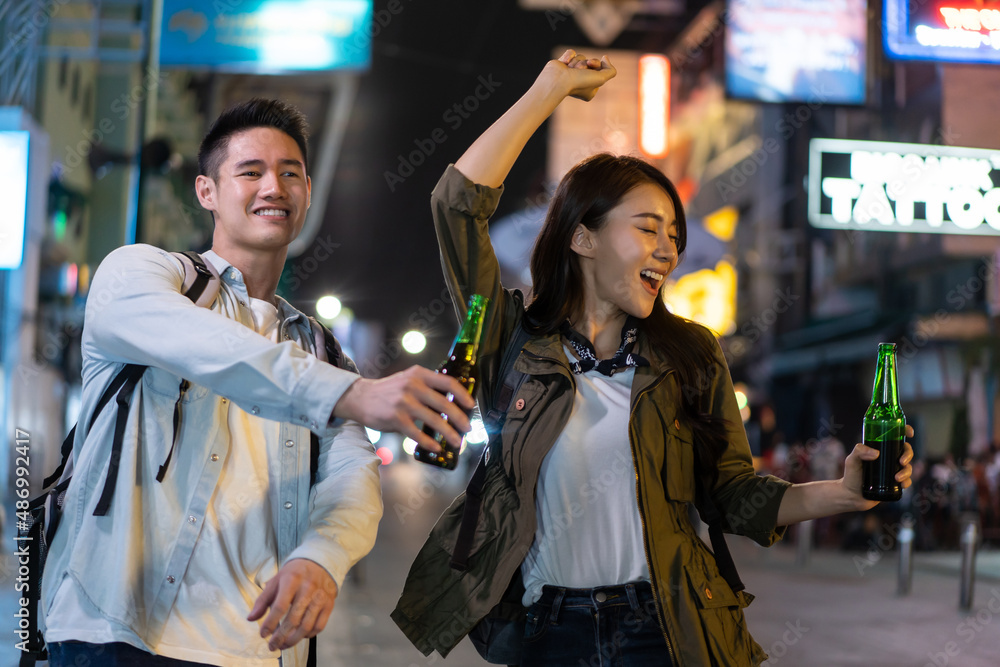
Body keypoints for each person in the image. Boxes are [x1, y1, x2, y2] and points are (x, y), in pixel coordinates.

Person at [391, 52, 915, 666]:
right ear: (582, 237)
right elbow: (455, 207)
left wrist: (844, 493)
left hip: (662, 631)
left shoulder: (691, 353)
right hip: (546, 632)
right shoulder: (510, 338)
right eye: (647, 229)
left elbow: (733, 494)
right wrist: (548, 91)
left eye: (673, 234)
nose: (667, 251)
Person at [40, 98, 475, 667]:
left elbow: (352, 472)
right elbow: (210, 347)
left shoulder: (319, 348)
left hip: (254, 647)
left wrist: (322, 556)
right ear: (206, 192)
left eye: (289, 173)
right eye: (251, 172)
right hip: (116, 632)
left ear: (308, 193)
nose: (274, 186)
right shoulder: (141, 275)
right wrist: (355, 394)